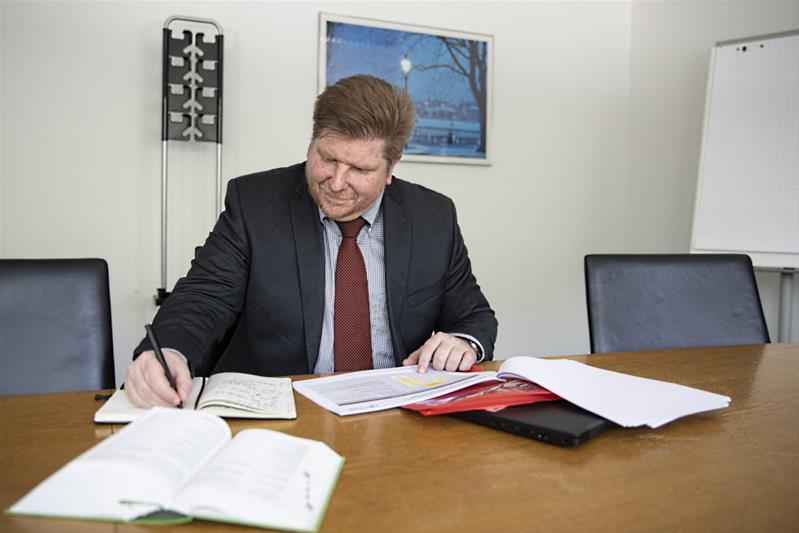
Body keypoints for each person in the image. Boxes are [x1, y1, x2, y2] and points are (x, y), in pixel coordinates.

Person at [125, 75, 497, 408]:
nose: (336, 182)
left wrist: (462, 341)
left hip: (395, 412)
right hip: (281, 412)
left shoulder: (433, 217)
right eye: (327, 158)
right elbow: (205, 295)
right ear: (312, 141)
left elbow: (474, 315)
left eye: (360, 170)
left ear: (391, 167)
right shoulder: (255, 203)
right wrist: (169, 351)